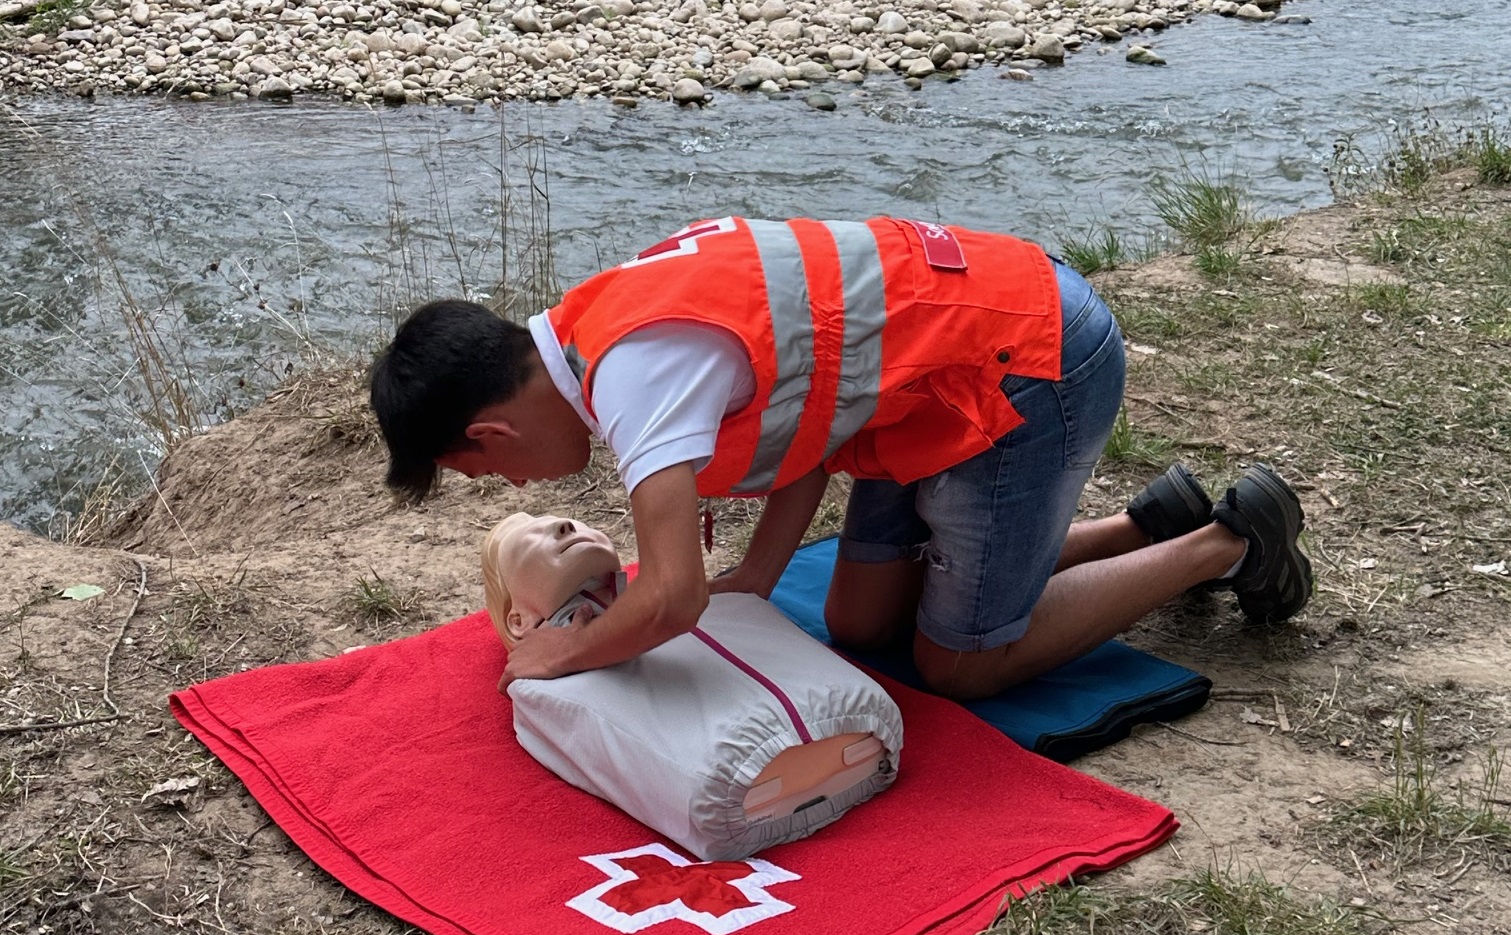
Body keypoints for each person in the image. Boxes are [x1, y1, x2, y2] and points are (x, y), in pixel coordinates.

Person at [370, 215, 1312, 700]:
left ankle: (1227, 543)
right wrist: (763, 571)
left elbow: (669, 598)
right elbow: (800, 426)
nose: (527, 485)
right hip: (937, 373)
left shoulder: (631, 375)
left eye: (495, 475)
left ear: (488, 435)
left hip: (1027, 362)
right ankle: (1149, 524)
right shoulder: (595, 320)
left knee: (959, 667)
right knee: (861, 622)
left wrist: (559, 658)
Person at [479, 510, 901, 861]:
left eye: (573, 521)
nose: (565, 527)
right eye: (532, 536)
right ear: (518, 620)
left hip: (839, 740)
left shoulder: (692, 602)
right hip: (762, 781)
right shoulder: (540, 692)